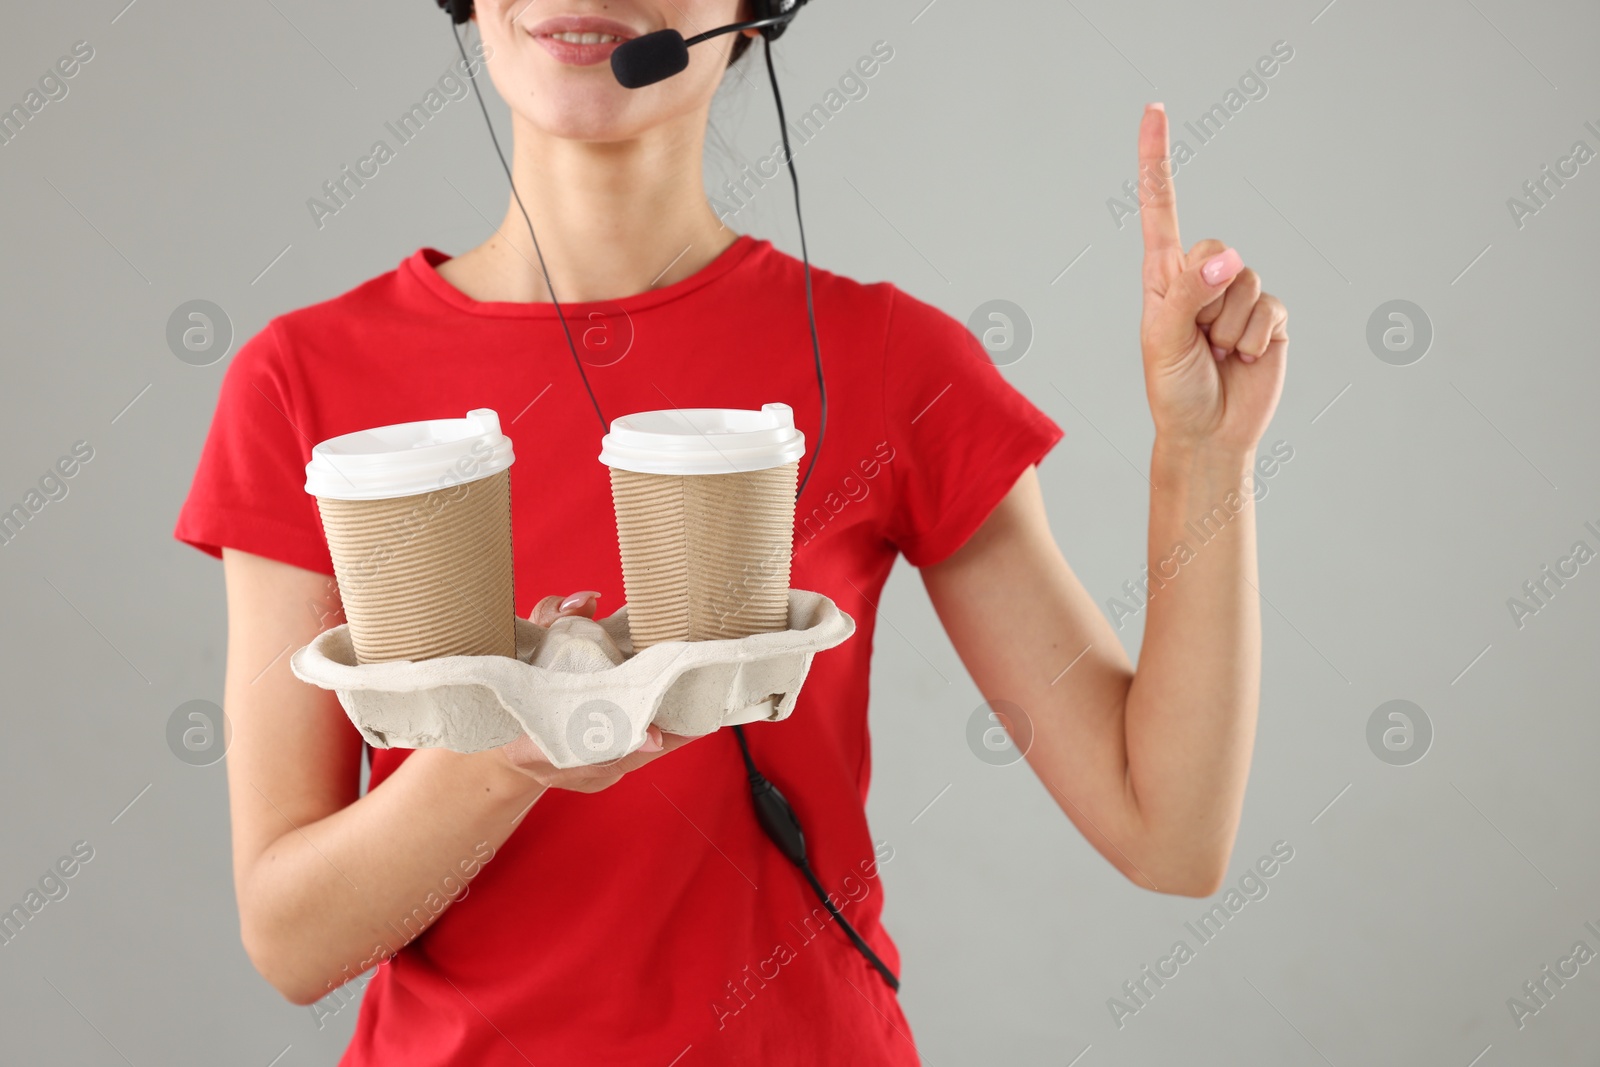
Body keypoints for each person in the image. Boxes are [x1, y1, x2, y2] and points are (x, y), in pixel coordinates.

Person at [173, 2, 1289, 1063]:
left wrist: (1204, 458)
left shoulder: (890, 359)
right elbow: (293, 939)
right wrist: (515, 748)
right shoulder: (306, 383)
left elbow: (1169, 829)